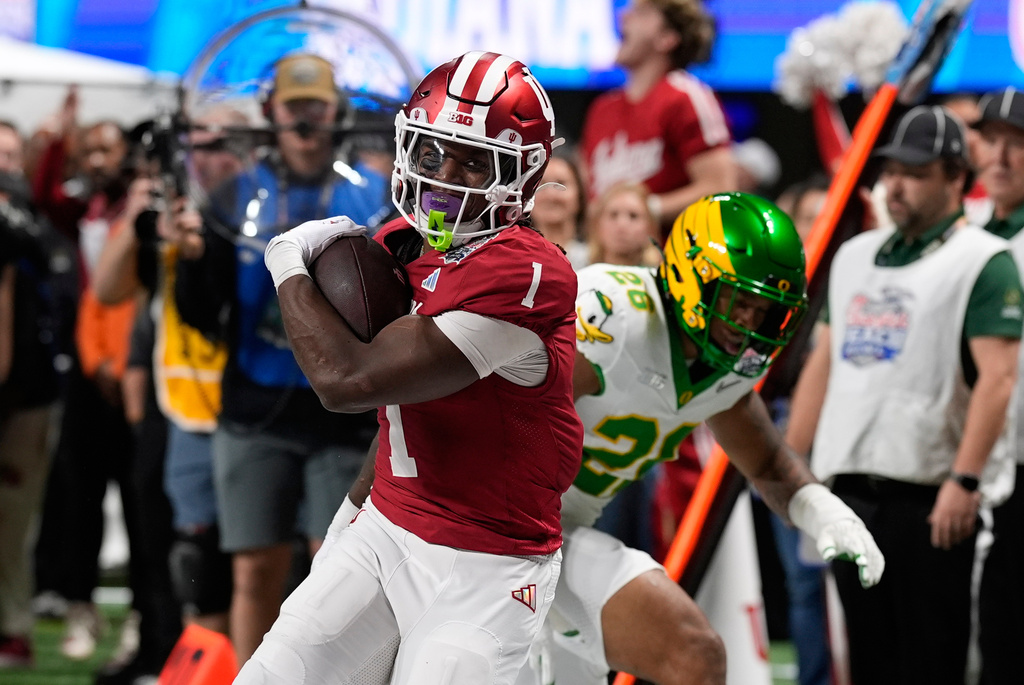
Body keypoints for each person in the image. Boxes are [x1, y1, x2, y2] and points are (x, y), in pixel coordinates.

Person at [244, 50, 583, 685]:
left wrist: (287, 262)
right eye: (433, 153)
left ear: (522, 175)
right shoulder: (402, 244)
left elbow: (350, 384)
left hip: (489, 563)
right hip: (388, 525)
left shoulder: (527, 272)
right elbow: (400, 415)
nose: (446, 177)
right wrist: (350, 518)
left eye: (474, 161)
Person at [512, 192, 884, 685]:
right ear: (693, 278)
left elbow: (769, 464)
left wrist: (821, 509)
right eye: (740, 301)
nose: (748, 324)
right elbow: (506, 422)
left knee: (694, 657)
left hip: (562, 533)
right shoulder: (615, 314)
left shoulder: (721, 371)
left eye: (764, 310)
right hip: (498, 523)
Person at [785, 105, 1021, 685]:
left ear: (954, 177)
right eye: (892, 170)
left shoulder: (984, 262)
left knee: (931, 661)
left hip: (928, 497)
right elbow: (825, 359)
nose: (896, 184)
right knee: (866, 659)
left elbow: (999, 379)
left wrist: (965, 481)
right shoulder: (854, 255)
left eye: (914, 173)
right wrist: (788, 463)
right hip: (849, 490)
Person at [173, 52, 389, 663]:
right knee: (254, 571)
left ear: (336, 111)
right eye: (294, 108)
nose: (304, 121)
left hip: (342, 413)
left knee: (339, 578)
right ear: (270, 113)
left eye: (315, 107)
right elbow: (203, 313)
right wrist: (190, 263)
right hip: (254, 406)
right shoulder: (232, 195)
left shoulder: (372, 197)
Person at [580, 0, 736, 239]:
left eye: (640, 12)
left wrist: (644, 210)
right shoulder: (602, 109)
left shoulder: (686, 98)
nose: (623, 17)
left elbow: (720, 189)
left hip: (667, 263)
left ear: (667, 38)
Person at [0, 123, 63, 669]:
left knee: (15, 515)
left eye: (10, 154)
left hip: (26, 392)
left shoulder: (27, 219)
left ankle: (13, 628)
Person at [969, 86, 1024, 685]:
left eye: (1018, 145)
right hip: (975, 466)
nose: (1001, 158)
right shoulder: (966, 238)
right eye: (992, 142)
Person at [531, 152, 589, 269]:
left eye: (560, 184)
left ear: (580, 195)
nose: (551, 195)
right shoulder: (513, 256)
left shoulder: (598, 259)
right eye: (542, 184)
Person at [585, 181, 661, 267]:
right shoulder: (578, 272)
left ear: (650, 227)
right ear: (597, 224)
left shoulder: (663, 277)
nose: (622, 225)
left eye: (633, 216)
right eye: (613, 215)